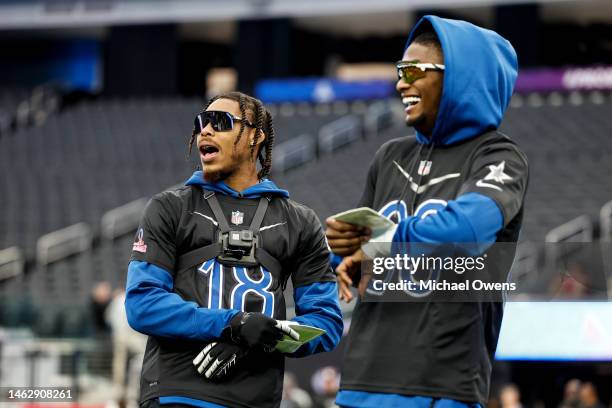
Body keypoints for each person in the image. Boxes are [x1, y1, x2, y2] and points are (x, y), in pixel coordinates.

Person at [326, 16, 528, 407]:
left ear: (459, 78)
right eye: (400, 71)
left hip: (441, 385)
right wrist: (342, 246)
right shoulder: (389, 156)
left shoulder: (499, 156)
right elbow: (360, 250)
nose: (402, 82)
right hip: (362, 381)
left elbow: (465, 230)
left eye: (415, 70)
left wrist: (382, 239)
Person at [125, 91, 343, 408]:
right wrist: (233, 325)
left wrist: (261, 338)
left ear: (256, 136)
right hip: (177, 395)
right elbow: (142, 303)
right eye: (200, 123)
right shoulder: (170, 207)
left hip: (254, 399)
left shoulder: (299, 221)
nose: (205, 131)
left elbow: (326, 323)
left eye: (220, 122)